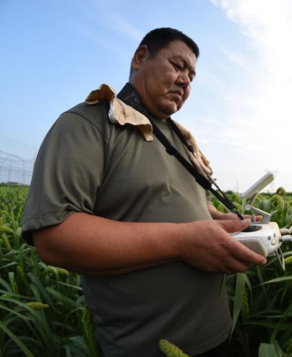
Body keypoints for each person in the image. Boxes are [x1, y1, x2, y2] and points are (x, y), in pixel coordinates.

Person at [22, 27, 266, 357]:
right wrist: (183, 242)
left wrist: (229, 222)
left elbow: (192, 203)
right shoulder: (89, 124)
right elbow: (54, 237)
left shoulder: (183, 141)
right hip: (147, 347)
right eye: (178, 66)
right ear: (140, 58)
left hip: (218, 333)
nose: (185, 81)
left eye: (192, 75)